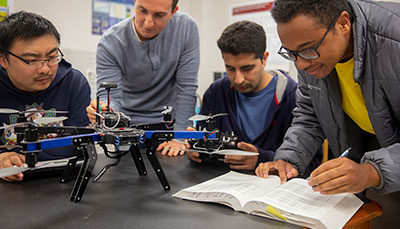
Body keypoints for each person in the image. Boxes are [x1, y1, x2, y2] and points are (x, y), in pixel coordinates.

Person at [255, 0, 400, 196]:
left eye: (308, 49)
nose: (301, 65)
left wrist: (371, 171)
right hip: (374, 151)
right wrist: (289, 158)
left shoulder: (394, 40)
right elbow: (310, 116)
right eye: (292, 53)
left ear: (343, 23)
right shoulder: (309, 57)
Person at [185, 20, 320, 172]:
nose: (238, 79)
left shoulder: (293, 97)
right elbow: (205, 145)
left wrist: (261, 159)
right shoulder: (216, 93)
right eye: (230, 69)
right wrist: (197, 150)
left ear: (264, 59)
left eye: (247, 68)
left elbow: (313, 164)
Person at [0, 11, 91, 182]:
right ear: (3, 59)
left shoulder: (74, 84)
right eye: (32, 60)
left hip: (63, 181)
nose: (45, 69)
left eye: (51, 57)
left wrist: (20, 156)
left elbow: (78, 147)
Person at [86, 0, 199, 134]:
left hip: (170, 124)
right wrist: (104, 110)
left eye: (159, 15)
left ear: (173, 12)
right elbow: (110, 97)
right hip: (127, 127)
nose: (148, 23)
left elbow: (186, 88)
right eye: (142, 10)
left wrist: (181, 136)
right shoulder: (110, 43)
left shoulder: (186, 28)